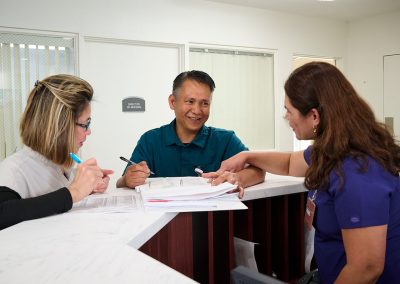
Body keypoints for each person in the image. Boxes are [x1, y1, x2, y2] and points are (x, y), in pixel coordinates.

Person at [208, 62, 400, 283]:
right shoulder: (332, 149)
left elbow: (366, 268)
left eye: (289, 111)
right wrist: (247, 156)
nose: (286, 118)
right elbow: (290, 163)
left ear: (315, 116)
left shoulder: (358, 172)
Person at [116, 70, 265, 193]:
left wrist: (238, 178)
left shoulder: (226, 140)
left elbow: (258, 170)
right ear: (172, 102)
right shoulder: (150, 140)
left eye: (205, 103)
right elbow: (121, 183)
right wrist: (127, 180)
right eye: (190, 101)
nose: (197, 110)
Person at [0, 74, 113, 230]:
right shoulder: (13, 172)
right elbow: (3, 214)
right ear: (60, 126)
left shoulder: (61, 165)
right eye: (85, 124)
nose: (89, 132)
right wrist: (74, 192)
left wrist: (90, 187)